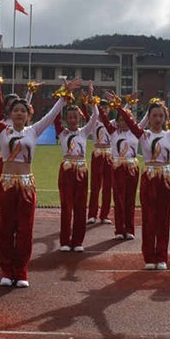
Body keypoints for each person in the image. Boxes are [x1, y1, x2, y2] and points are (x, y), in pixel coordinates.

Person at [0, 74, 78, 288]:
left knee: (25, 228)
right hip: (6, 184)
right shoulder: (2, 130)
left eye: (23, 110)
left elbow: (52, 115)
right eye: (15, 110)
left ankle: (21, 271)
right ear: (10, 114)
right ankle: (6, 270)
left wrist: (64, 94)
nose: (19, 113)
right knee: (5, 227)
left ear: (28, 115)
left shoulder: (35, 130)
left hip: (26, 185)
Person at [112, 94, 170, 270]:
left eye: (160, 116)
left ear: (165, 118)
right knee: (148, 218)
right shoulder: (143, 135)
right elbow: (130, 122)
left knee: (163, 219)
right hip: (149, 177)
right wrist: (119, 106)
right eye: (154, 115)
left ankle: (162, 256)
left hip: (165, 178)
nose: (157, 119)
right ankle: (149, 257)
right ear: (148, 118)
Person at [54, 89, 100, 252]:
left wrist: (93, 102)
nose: (73, 120)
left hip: (81, 171)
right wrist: (63, 99)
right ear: (66, 119)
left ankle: (78, 241)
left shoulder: (84, 132)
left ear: (80, 119)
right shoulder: (62, 132)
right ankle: (65, 241)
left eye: (75, 117)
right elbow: (55, 117)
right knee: (66, 207)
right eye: (70, 117)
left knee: (80, 207)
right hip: (66, 171)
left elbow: (95, 118)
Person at [105, 100, 140, 241]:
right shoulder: (113, 133)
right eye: (121, 120)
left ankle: (130, 229)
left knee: (130, 200)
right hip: (118, 168)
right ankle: (119, 229)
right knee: (118, 199)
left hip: (132, 168)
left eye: (126, 120)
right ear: (117, 122)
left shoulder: (136, 132)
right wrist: (94, 102)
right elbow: (103, 117)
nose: (124, 123)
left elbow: (143, 120)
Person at [85, 91, 114, 226]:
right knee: (95, 186)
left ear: (109, 109)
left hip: (109, 154)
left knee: (108, 186)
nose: (104, 110)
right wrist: (91, 97)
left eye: (106, 107)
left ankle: (104, 214)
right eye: (101, 107)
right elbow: (91, 112)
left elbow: (125, 114)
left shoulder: (113, 123)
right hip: (97, 152)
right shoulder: (94, 122)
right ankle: (92, 214)